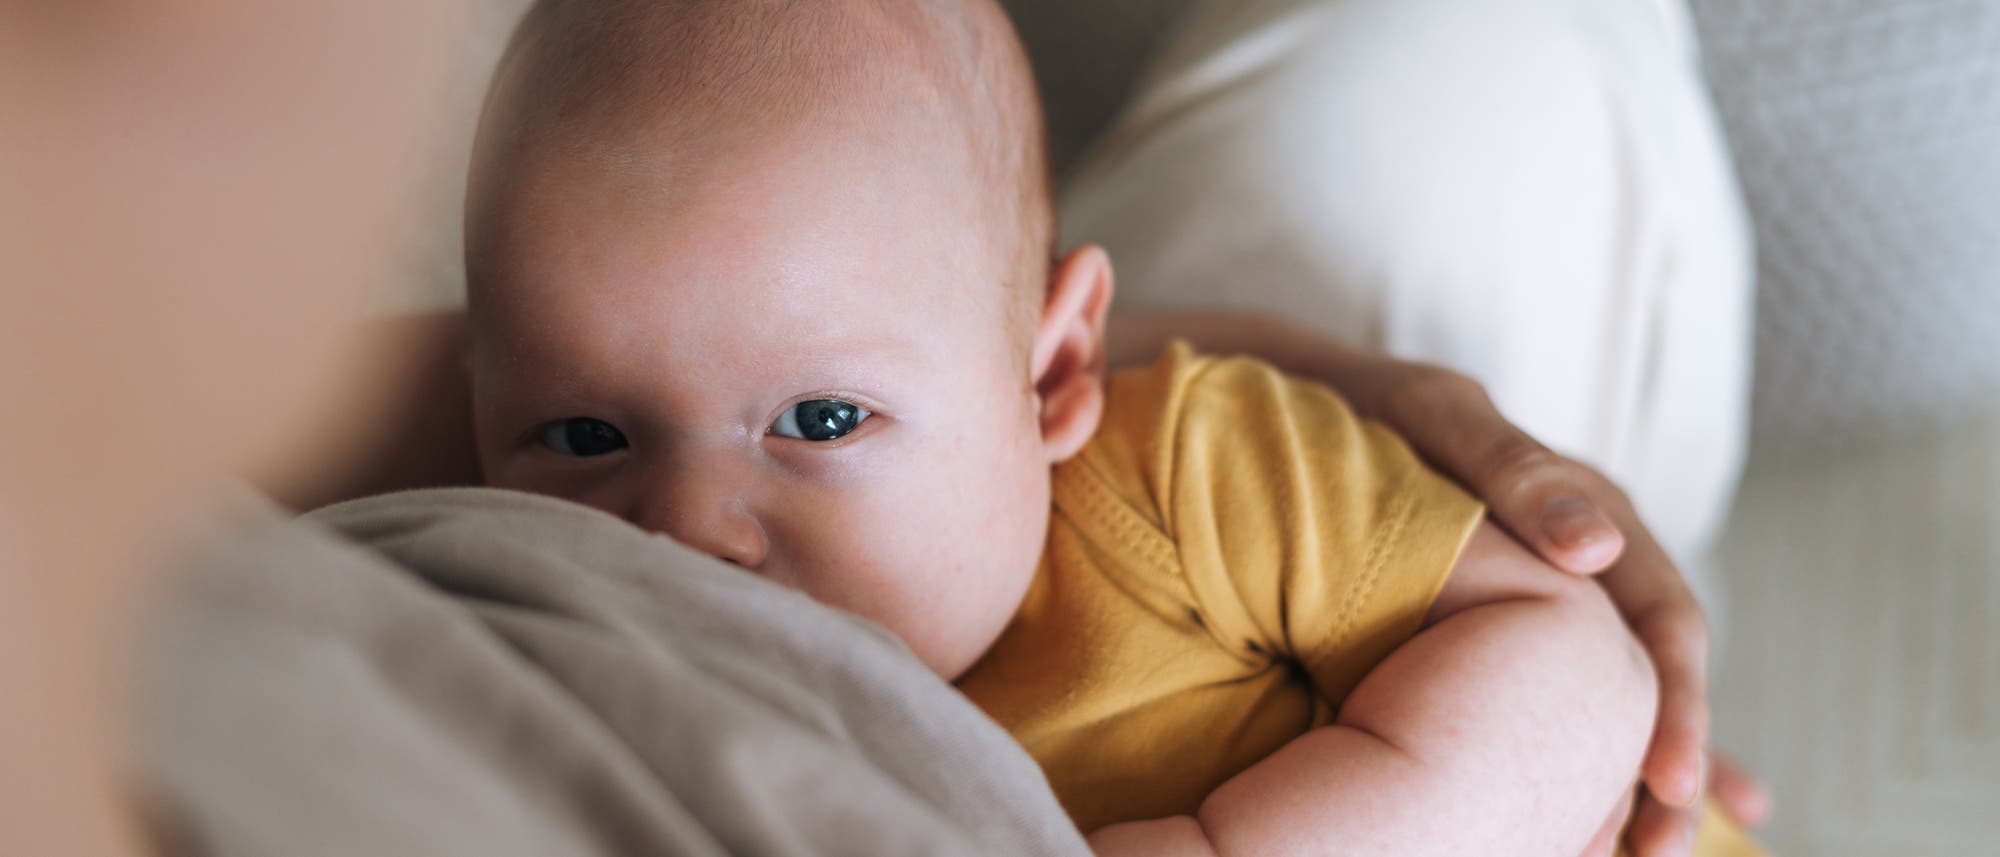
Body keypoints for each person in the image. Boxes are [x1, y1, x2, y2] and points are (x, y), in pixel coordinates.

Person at [0, 2, 1760, 857]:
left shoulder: (1186, 467)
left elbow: (1574, 664)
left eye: (819, 419)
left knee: (1452, 52)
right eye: (584, 434)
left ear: (1060, 378)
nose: (687, 529)